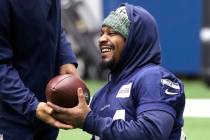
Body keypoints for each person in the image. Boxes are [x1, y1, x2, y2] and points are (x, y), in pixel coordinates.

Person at [48, 3, 186, 140]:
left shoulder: (153, 78)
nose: (101, 39)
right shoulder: (100, 95)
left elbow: (151, 133)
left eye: (112, 33)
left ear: (134, 40)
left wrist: (88, 120)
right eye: (102, 33)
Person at [0, 0, 78, 140]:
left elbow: (53, 24)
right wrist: (31, 106)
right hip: (10, 118)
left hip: (46, 113)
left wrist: (65, 58)